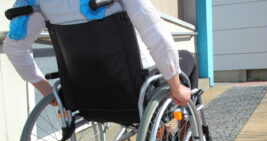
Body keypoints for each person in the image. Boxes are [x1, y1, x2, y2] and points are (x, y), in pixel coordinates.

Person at [3, 0, 198, 107]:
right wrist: (175, 85)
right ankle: (186, 127)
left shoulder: (36, 2)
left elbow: (15, 48)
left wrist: (46, 89)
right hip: (133, 90)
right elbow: (156, 35)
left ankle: (160, 132)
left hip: (82, 95)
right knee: (187, 59)